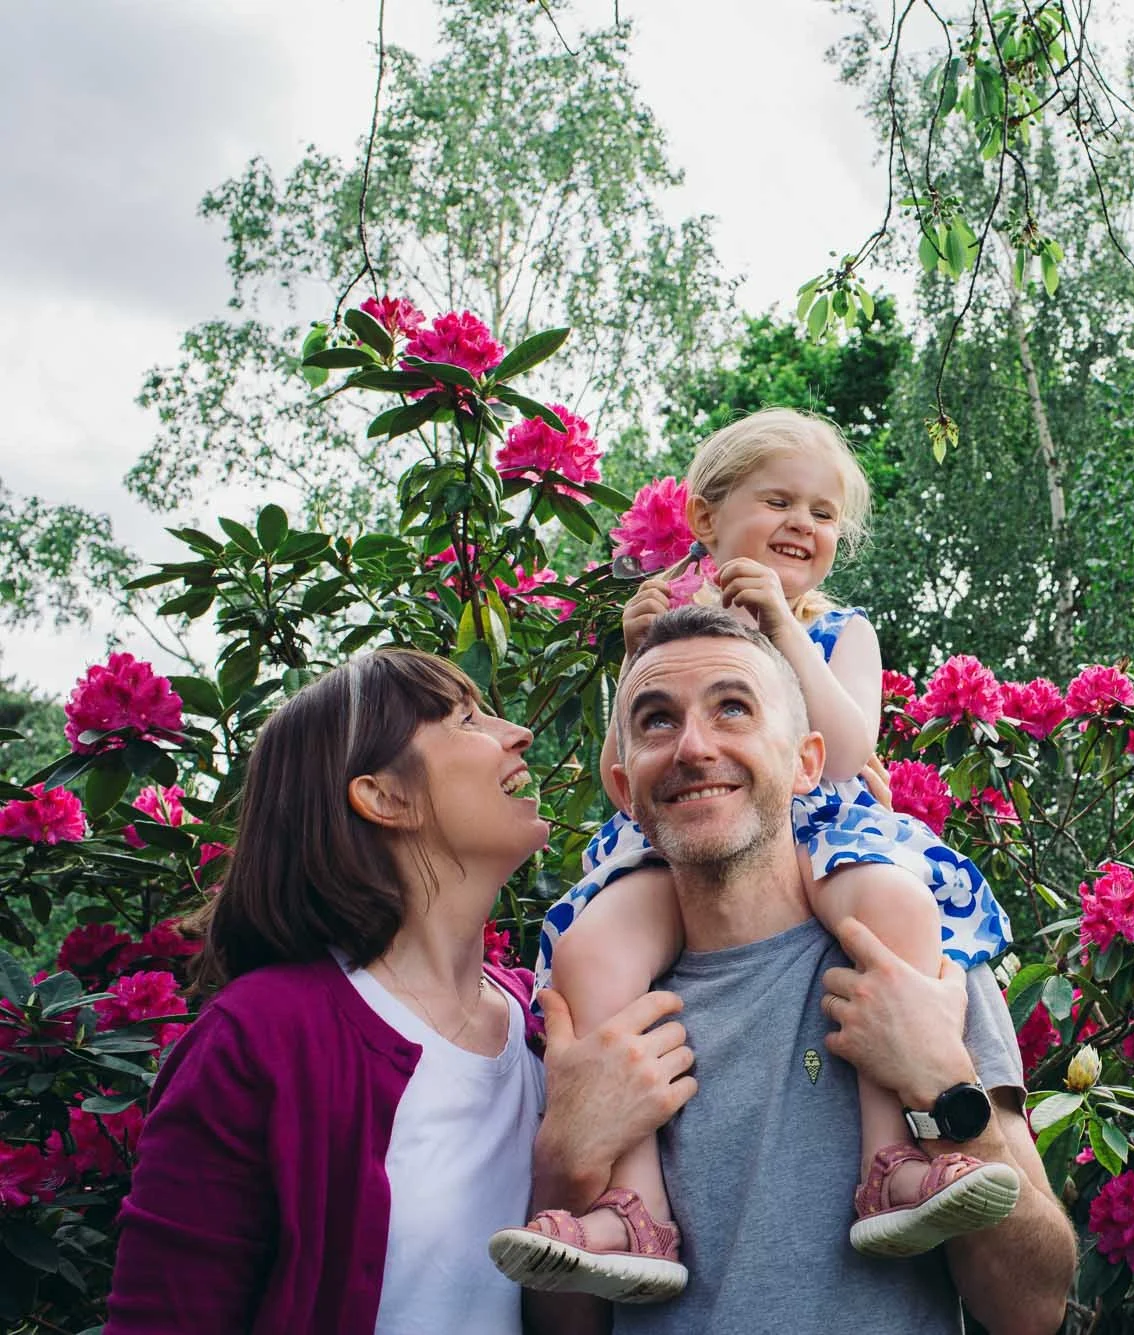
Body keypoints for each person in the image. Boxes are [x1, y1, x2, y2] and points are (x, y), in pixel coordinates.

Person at [493, 409, 1016, 1301]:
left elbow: (843, 751)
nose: (802, 523)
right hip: (680, 841)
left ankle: (891, 1159)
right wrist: (639, 658)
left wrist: (780, 627)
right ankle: (634, 1209)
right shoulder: (670, 624)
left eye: (823, 513)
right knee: (590, 953)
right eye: (779, 500)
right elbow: (633, 770)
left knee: (897, 910)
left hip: (819, 824)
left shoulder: (840, 628)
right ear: (706, 517)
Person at [506, 606, 1075, 1335]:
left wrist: (941, 1083)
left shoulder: (914, 968)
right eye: (657, 719)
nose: (693, 746)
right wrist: (563, 1160)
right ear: (625, 789)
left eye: (733, 708)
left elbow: (1032, 1309)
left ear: (808, 762)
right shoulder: (599, 1003)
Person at [103, 648, 698, 1334]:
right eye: (466, 719)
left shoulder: (543, 1022)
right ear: (384, 796)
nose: (519, 733)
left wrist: (566, 1168)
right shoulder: (259, 1039)